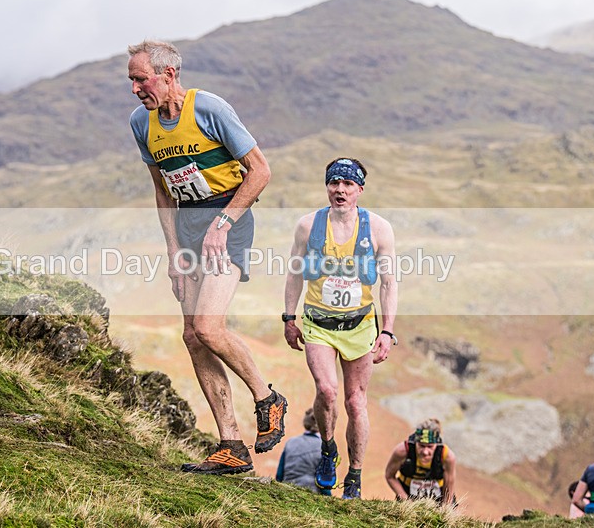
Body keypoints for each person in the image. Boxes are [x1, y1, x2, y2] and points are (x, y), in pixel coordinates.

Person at [127, 40, 287, 474]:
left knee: (209, 327)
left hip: (228, 223)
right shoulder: (141, 123)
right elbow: (161, 189)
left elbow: (260, 171)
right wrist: (173, 248)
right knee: (193, 337)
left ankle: (267, 398)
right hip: (188, 227)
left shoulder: (209, 109)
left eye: (142, 80)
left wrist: (224, 224)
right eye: (132, 81)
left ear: (168, 75)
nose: (136, 89)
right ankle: (231, 446)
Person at [283, 157, 397, 499]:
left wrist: (387, 331)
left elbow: (389, 283)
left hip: (360, 325)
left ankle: (355, 476)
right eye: (334, 183)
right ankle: (329, 450)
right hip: (318, 323)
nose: (340, 190)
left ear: (360, 190)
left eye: (348, 184)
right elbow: (293, 274)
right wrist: (289, 317)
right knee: (328, 391)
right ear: (327, 187)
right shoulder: (308, 226)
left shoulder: (378, 229)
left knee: (355, 402)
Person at [384, 418, 457, 505]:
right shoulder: (402, 451)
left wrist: (445, 509)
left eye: (430, 446)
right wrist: (406, 501)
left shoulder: (447, 456)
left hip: (439, 495)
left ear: (436, 444)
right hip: (407, 494)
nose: (425, 452)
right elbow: (389, 476)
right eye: (421, 446)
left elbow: (449, 485)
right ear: (415, 442)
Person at [276, 408, 331, 495]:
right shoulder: (324, 447)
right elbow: (324, 481)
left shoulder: (291, 442)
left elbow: (279, 475)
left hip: (286, 491)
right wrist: (329, 498)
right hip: (311, 494)